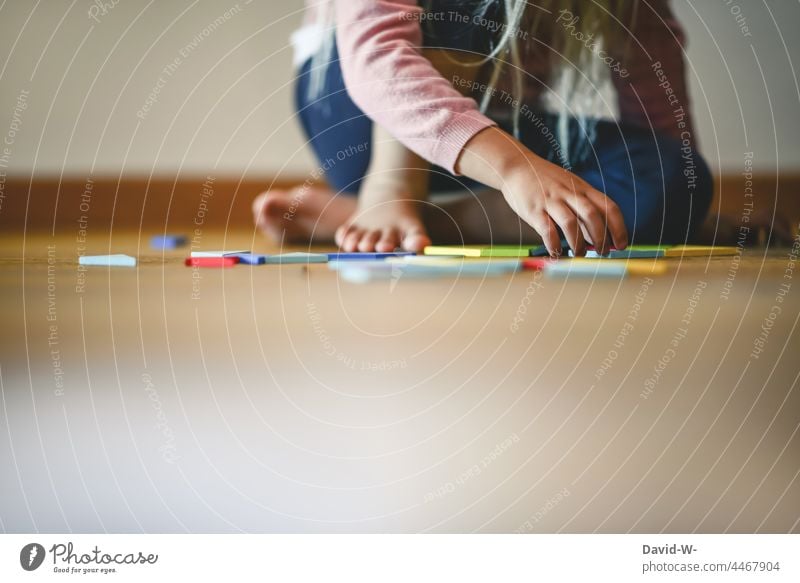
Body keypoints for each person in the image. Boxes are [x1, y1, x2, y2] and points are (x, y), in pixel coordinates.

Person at [253, 0, 713, 257]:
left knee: (671, 176)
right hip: (359, 118)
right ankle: (389, 196)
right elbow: (378, 59)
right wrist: (515, 169)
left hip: (489, 128)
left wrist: (688, 208)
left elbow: (649, 56)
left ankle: (408, 223)